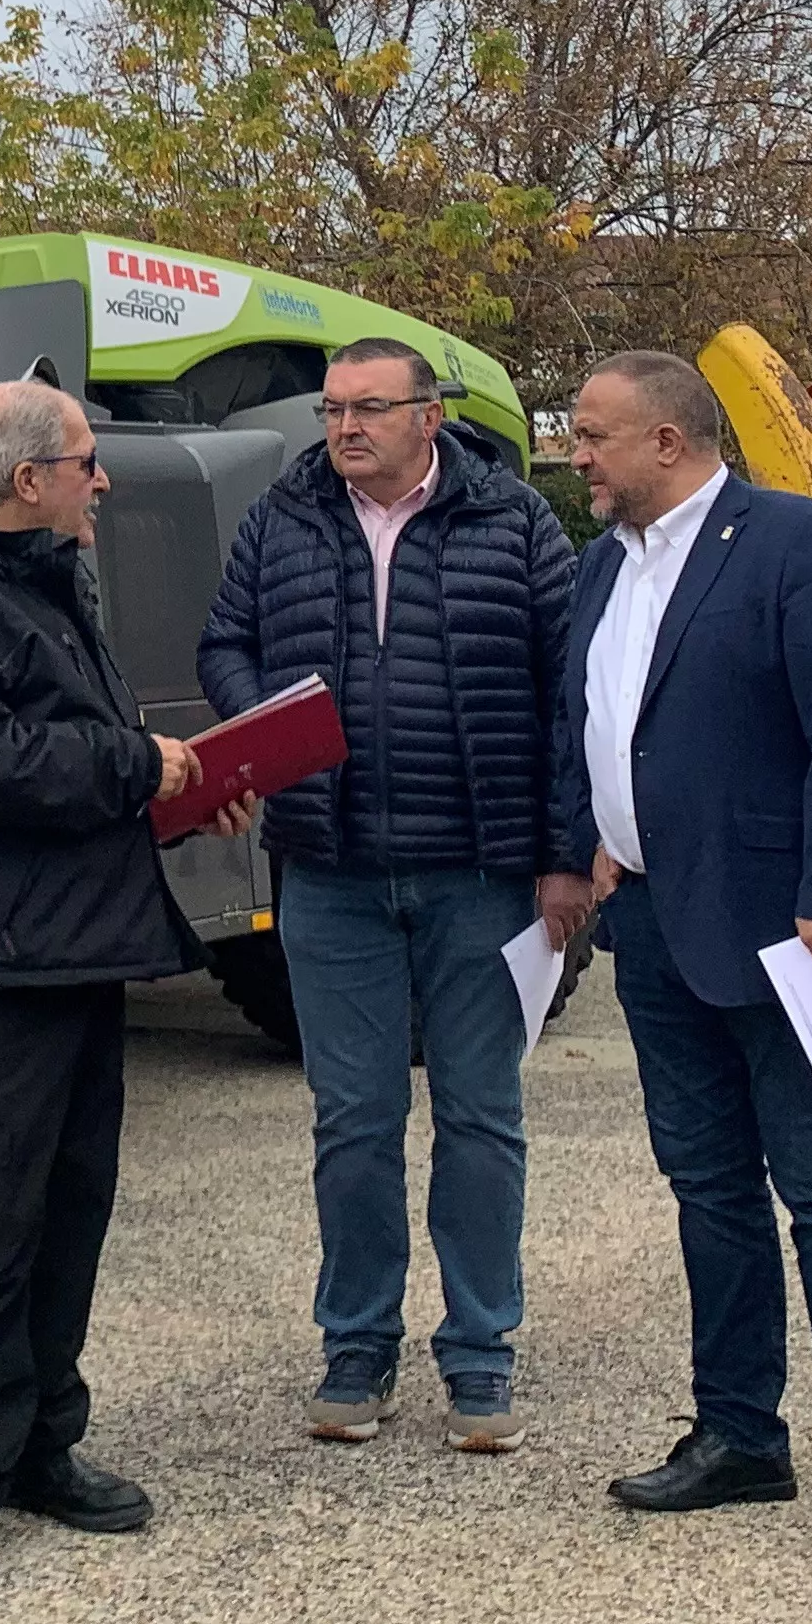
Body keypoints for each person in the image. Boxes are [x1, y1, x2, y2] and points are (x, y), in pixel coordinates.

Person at [543, 349, 812, 1577]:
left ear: (668, 440)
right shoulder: (606, 565)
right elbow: (594, 720)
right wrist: (592, 844)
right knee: (708, 1195)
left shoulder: (797, 543)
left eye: (594, 434)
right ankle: (741, 1435)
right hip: (653, 926)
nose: (576, 454)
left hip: (791, 936)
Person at [0, 377, 247, 1586]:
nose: (103, 480)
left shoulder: (44, 576)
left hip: (80, 948)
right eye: (86, 461)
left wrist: (170, 800)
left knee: (70, 1210)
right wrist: (138, 762)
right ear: (27, 481)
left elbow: (68, 766)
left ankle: (41, 1441)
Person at [197, 336, 580, 1455]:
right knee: (352, 1122)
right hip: (332, 872)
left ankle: (481, 1358)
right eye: (330, 410)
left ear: (429, 415)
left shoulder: (514, 524)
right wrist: (267, 723)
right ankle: (355, 1348)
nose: (344, 429)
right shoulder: (282, 521)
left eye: (368, 408)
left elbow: (572, 697)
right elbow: (225, 641)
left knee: (480, 1118)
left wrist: (563, 856)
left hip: (482, 875)